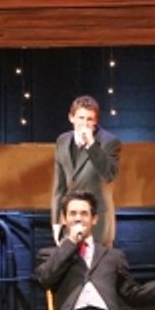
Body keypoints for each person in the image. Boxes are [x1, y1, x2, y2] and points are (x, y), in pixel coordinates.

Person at [51, 95, 121, 247]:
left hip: (98, 223)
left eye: (90, 119)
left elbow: (108, 175)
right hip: (71, 224)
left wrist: (91, 145)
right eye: (81, 118)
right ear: (71, 118)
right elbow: (59, 189)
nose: (85, 123)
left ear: (95, 121)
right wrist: (56, 223)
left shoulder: (109, 142)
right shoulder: (62, 141)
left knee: (98, 262)